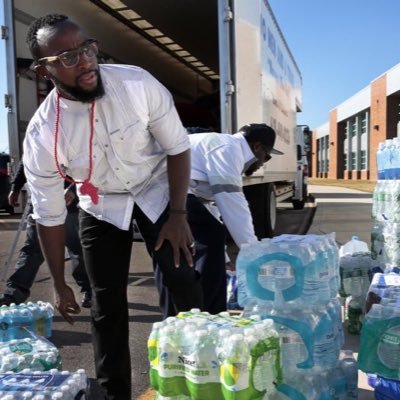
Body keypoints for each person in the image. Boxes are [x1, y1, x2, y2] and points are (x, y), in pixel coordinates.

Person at [22, 14, 200, 400]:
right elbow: (49, 215)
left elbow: (177, 147)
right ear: (43, 70)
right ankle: (114, 393)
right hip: (101, 205)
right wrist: (58, 283)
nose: (85, 61)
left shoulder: (136, 83)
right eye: (68, 57)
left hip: (158, 189)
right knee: (106, 305)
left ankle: (199, 379)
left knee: (184, 280)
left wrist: (178, 215)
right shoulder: (42, 135)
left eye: (87, 48)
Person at [155, 123, 283, 317]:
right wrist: (255, 252)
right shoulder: (228, 148)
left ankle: (174, 320)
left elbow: (209, 206)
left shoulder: (222, 145)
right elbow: (232, 203)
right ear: (257, 147)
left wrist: (222, 257)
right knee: (209, 238)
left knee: (174, 256)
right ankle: (212, 316)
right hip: (166, 192)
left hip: (158, 193)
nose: (263, 163)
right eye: (266, 156)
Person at [0, 161, 92, 308]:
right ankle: (14, 293)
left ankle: (89, 290)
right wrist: (15, 187)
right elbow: (26, 161)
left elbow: (88, 163)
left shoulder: (71, 138)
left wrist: (74, 188)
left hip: (68, 203)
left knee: (77, 251)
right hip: (39, 202)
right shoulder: (35, 138)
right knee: (32, 250)